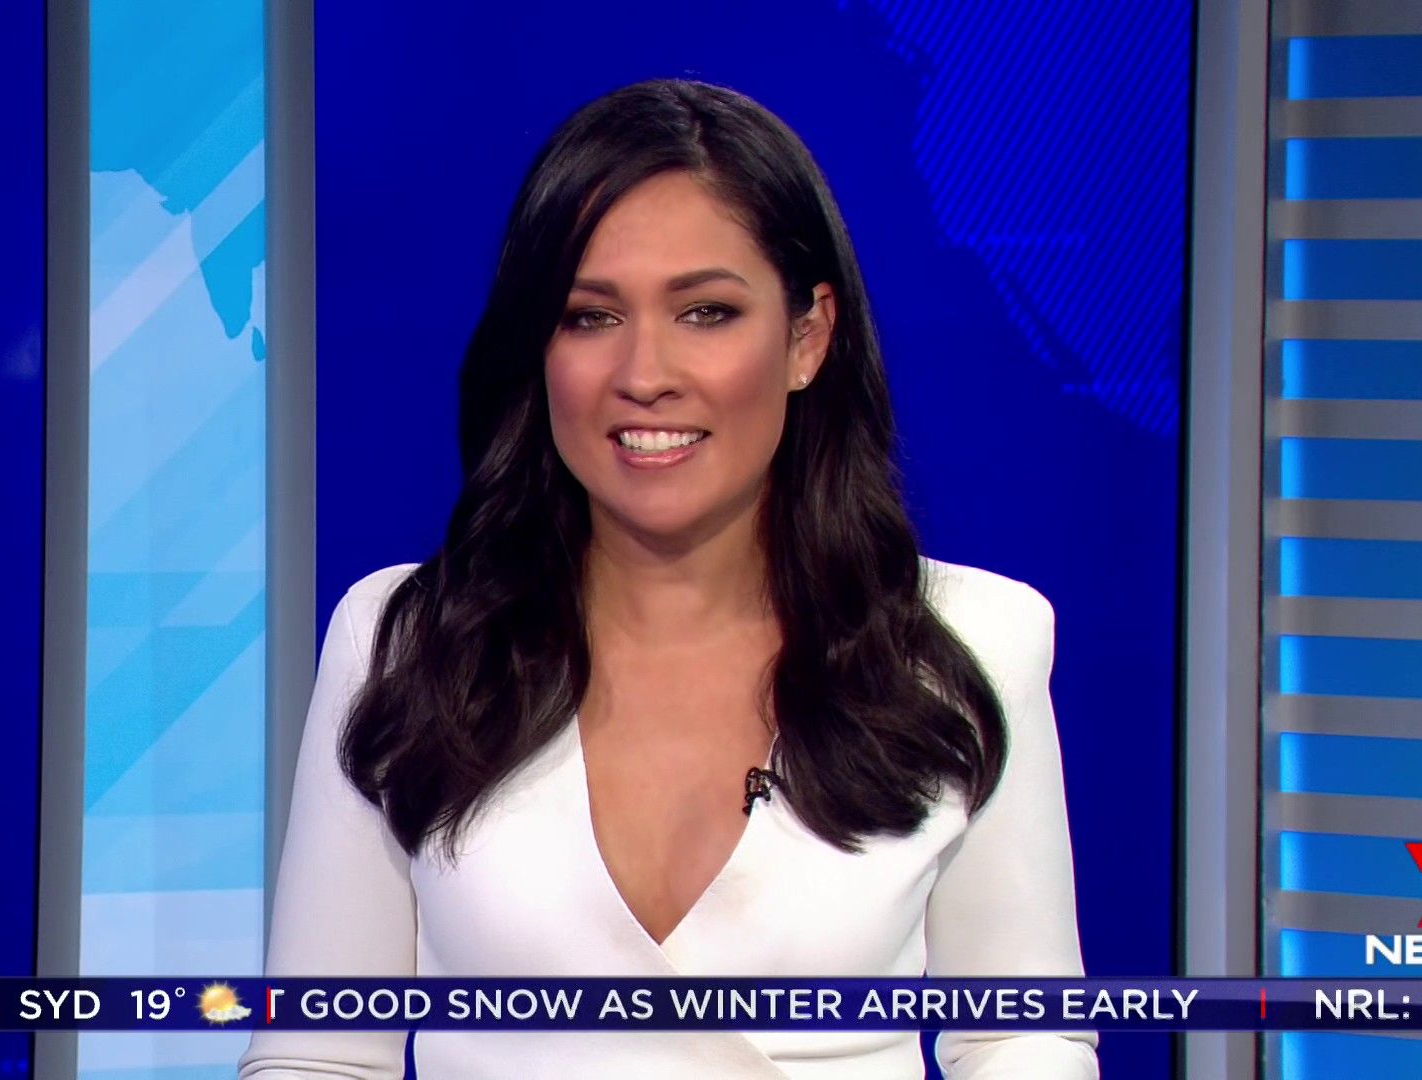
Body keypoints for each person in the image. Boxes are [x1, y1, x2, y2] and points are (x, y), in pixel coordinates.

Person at [238, 77, 1097, 1079]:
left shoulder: (968, 646)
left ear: (808, 337)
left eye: (706, 312)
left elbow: (1020, 1034)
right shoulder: (404, 643)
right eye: (590, 318)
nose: (644, 374)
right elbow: (321, 1056)